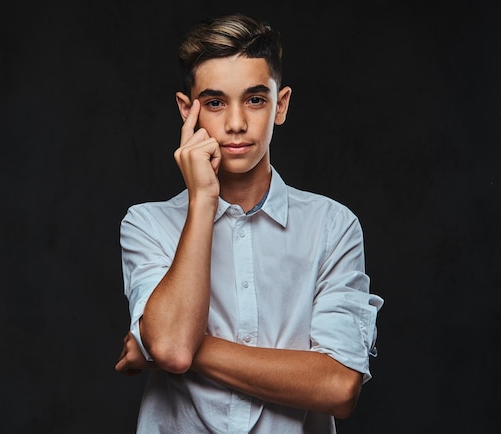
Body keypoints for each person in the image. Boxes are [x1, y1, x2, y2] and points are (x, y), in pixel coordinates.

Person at [115, 12, 384, 433]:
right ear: (188, 111)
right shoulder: (147, 224)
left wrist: (159, 347)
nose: (236, 123)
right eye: (215, 102)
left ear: (281, 105)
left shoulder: (333, 226)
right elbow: (170, 346)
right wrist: (203, 198)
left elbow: (338, 385)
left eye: (255, 99)